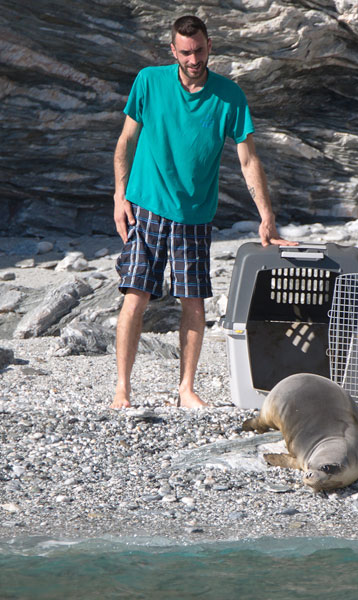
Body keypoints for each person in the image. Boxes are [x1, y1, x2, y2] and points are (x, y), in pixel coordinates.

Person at [111, 15, 293, 409]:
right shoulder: (149, 81)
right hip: (146, 206)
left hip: (194, 214)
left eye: (199, 50)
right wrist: (119, 195)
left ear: (210, 46)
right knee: (136, 296)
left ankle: (186, 390)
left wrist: (266, 216)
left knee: (193, 301)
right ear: (173, 51)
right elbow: (126, 140)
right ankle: (122, 390)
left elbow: (248, 160)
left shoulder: (229, 96)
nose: (193, 59)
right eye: (185, 52)